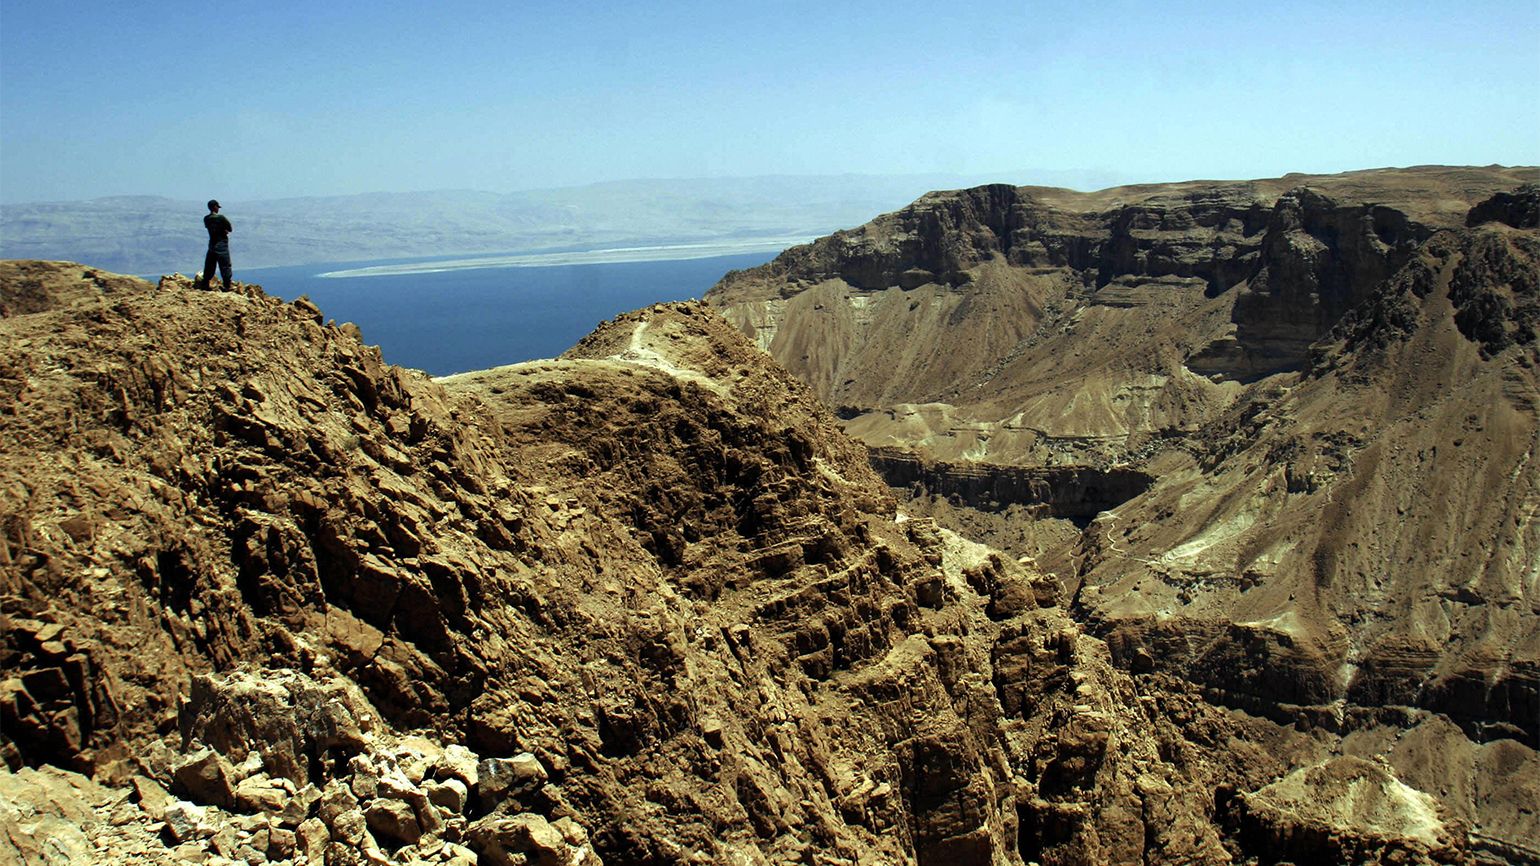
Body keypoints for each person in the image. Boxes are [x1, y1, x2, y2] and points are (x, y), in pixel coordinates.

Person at [197, 199, 234, 290]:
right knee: (225, 265)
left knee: (210, 265)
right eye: (217, 207)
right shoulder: (221, 218)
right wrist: (223, 230)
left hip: (212, 244)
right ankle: (227, 285)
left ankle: (205, 284)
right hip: (221, 244)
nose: (218, 209)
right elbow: (229, 228)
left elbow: (209, 228)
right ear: (215, 207)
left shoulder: (206, 219)